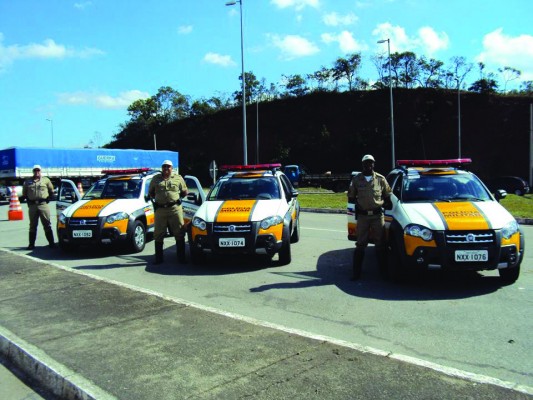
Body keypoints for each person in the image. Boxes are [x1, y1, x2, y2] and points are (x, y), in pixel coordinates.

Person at [347, 154, 392, 280]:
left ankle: (383, 273)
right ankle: (356, 273)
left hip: (378, 216)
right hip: (363, 217)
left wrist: (388, 204)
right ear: (363, 165)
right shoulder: (356, 180)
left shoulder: (381, 179)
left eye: (371, 162)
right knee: (360, 244)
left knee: (381, 244)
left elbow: (387, 195)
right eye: (366, 163)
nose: (368, 165)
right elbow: (351, 196)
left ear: (374, 164)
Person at [148, 160, 189, 265]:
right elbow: (151, 193)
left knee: (179, 233)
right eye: (164, 166)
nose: (166, 168)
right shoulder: (155, 179)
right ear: (162, 168)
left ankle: (181, 258)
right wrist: (160, 200)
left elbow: (185, 192)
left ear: (172, 168)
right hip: (160, 210)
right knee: (158, 234)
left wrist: (176, 199)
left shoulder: (178, 178)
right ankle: (159, 259)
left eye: (168, 166)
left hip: (175, 209)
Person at [22, 165, 56, 249]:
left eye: (38, 170)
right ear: (33, 171)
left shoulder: (46, 180)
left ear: (41, 171)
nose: (37, 172)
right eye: (35, 170)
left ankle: (51, 243)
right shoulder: (28, 181)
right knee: (32, 225)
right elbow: (24, 193)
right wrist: (29, 202)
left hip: (43, 205)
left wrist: (49, 199)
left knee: (47, 224)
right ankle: (31, 244)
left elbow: (51, 190)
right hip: (33, 206)